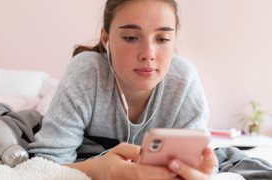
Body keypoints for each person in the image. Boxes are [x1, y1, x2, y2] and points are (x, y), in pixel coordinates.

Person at [28, 0, 217, 179]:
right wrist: (98, 170)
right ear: (105, 38)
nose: (148, 54)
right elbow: (44, 163)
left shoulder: (183, 82)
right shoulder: (87, 72)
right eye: (131, 38)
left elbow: (199, 163)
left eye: (163, 39)